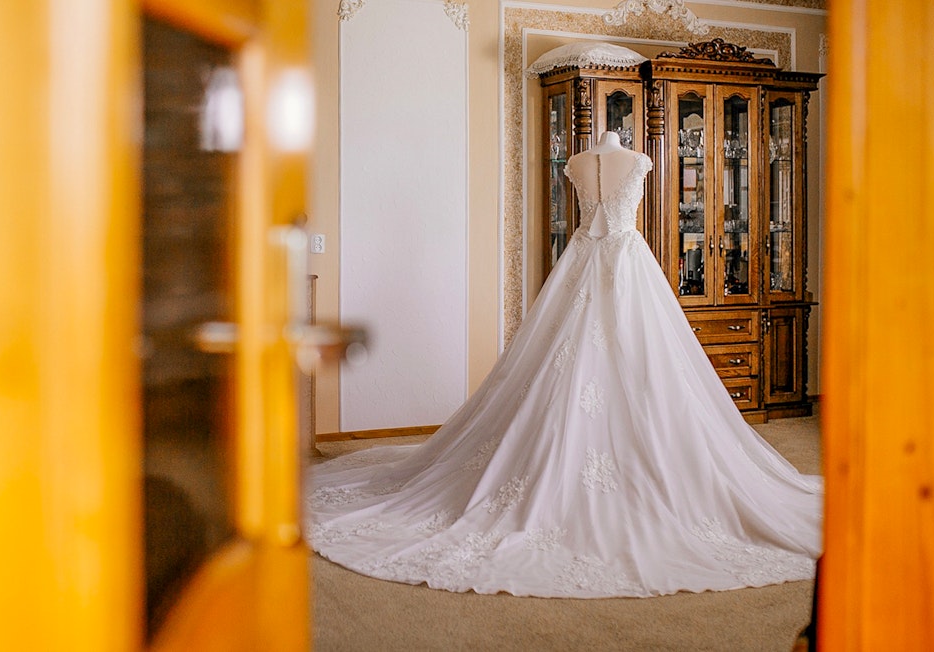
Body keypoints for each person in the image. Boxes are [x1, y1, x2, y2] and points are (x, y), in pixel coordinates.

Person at [306, 131, 822, 598]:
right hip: (602, 263)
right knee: (564, 370)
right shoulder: (609, 161)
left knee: (640, 373)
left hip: (608, 265)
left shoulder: (607, 161)